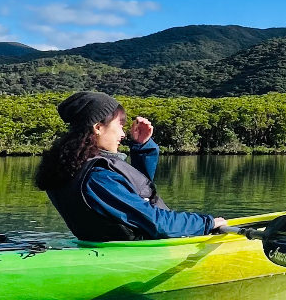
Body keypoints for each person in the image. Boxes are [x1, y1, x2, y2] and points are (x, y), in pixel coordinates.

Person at [35, 90, 228, 241]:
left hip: (107, 245)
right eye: (120, 125)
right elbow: (155, 222)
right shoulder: (98, 177)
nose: (123, 134)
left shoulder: (70, 166)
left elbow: (137, 195)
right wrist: (207, 223)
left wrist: (142, 148)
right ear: (98, 127)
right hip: (138, 248)